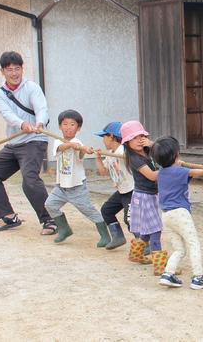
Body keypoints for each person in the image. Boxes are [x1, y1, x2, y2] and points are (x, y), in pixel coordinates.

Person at [0, 51, 56, 235]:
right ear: (2, 71)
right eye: (9, 69)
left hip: (34, 141)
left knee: (29, 180)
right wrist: (22, 124)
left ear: (22, 69)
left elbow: (41, 108)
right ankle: (8, 216)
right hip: (14, 142)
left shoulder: (32, 87)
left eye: (17, 68)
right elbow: (7, 114)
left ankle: (50, 219)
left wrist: (39, 123)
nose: (14, 73)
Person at [151, 136, 203, 290]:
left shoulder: (161, 173)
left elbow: (179, 172)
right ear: (176, 155)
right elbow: (195, 172)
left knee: (179, 249)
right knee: (193, 243)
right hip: (180, 214)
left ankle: (168, 274)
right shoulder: (180, 171)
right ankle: (198, 277)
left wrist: (177, 165)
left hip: (166, 216)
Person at [45, 110, 110, 246]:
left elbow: (80, 155)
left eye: (72, 124)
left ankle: (106, 236)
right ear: (60, 126)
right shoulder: (58, 142)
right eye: (65, 124)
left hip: (77, 187)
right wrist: (69, 145)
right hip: (61, 186)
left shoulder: (78, 142)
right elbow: (61, 148)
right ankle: (64, 229)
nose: (68, 127)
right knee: (50, 205)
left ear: (78, 128)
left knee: (88, 210)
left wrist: (82, 149)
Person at [121, 120, 165, 274]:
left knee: (147, 230)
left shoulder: (147, 151)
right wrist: (171, 170)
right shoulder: (134, 158)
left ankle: (136, 254)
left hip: (149, 196)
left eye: (142, 136)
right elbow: (152, 176)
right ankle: (160, 267)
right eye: (134, 138)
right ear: (127, 142)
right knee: (156, 230)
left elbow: (163, 153)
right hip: (144, 197)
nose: (139, 140)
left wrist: (153, 144)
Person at [93, 121, 134, 250]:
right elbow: (103, 172)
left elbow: (127, 156)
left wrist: (113, 154)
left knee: (130, 219)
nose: (103, 140)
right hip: (121, 190)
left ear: (111, 136)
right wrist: (98, 158)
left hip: (132, 190)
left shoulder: (123, 149)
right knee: (106, 210)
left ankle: (144, 242)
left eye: (104, 137)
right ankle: (117, 236)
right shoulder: (111, 152)